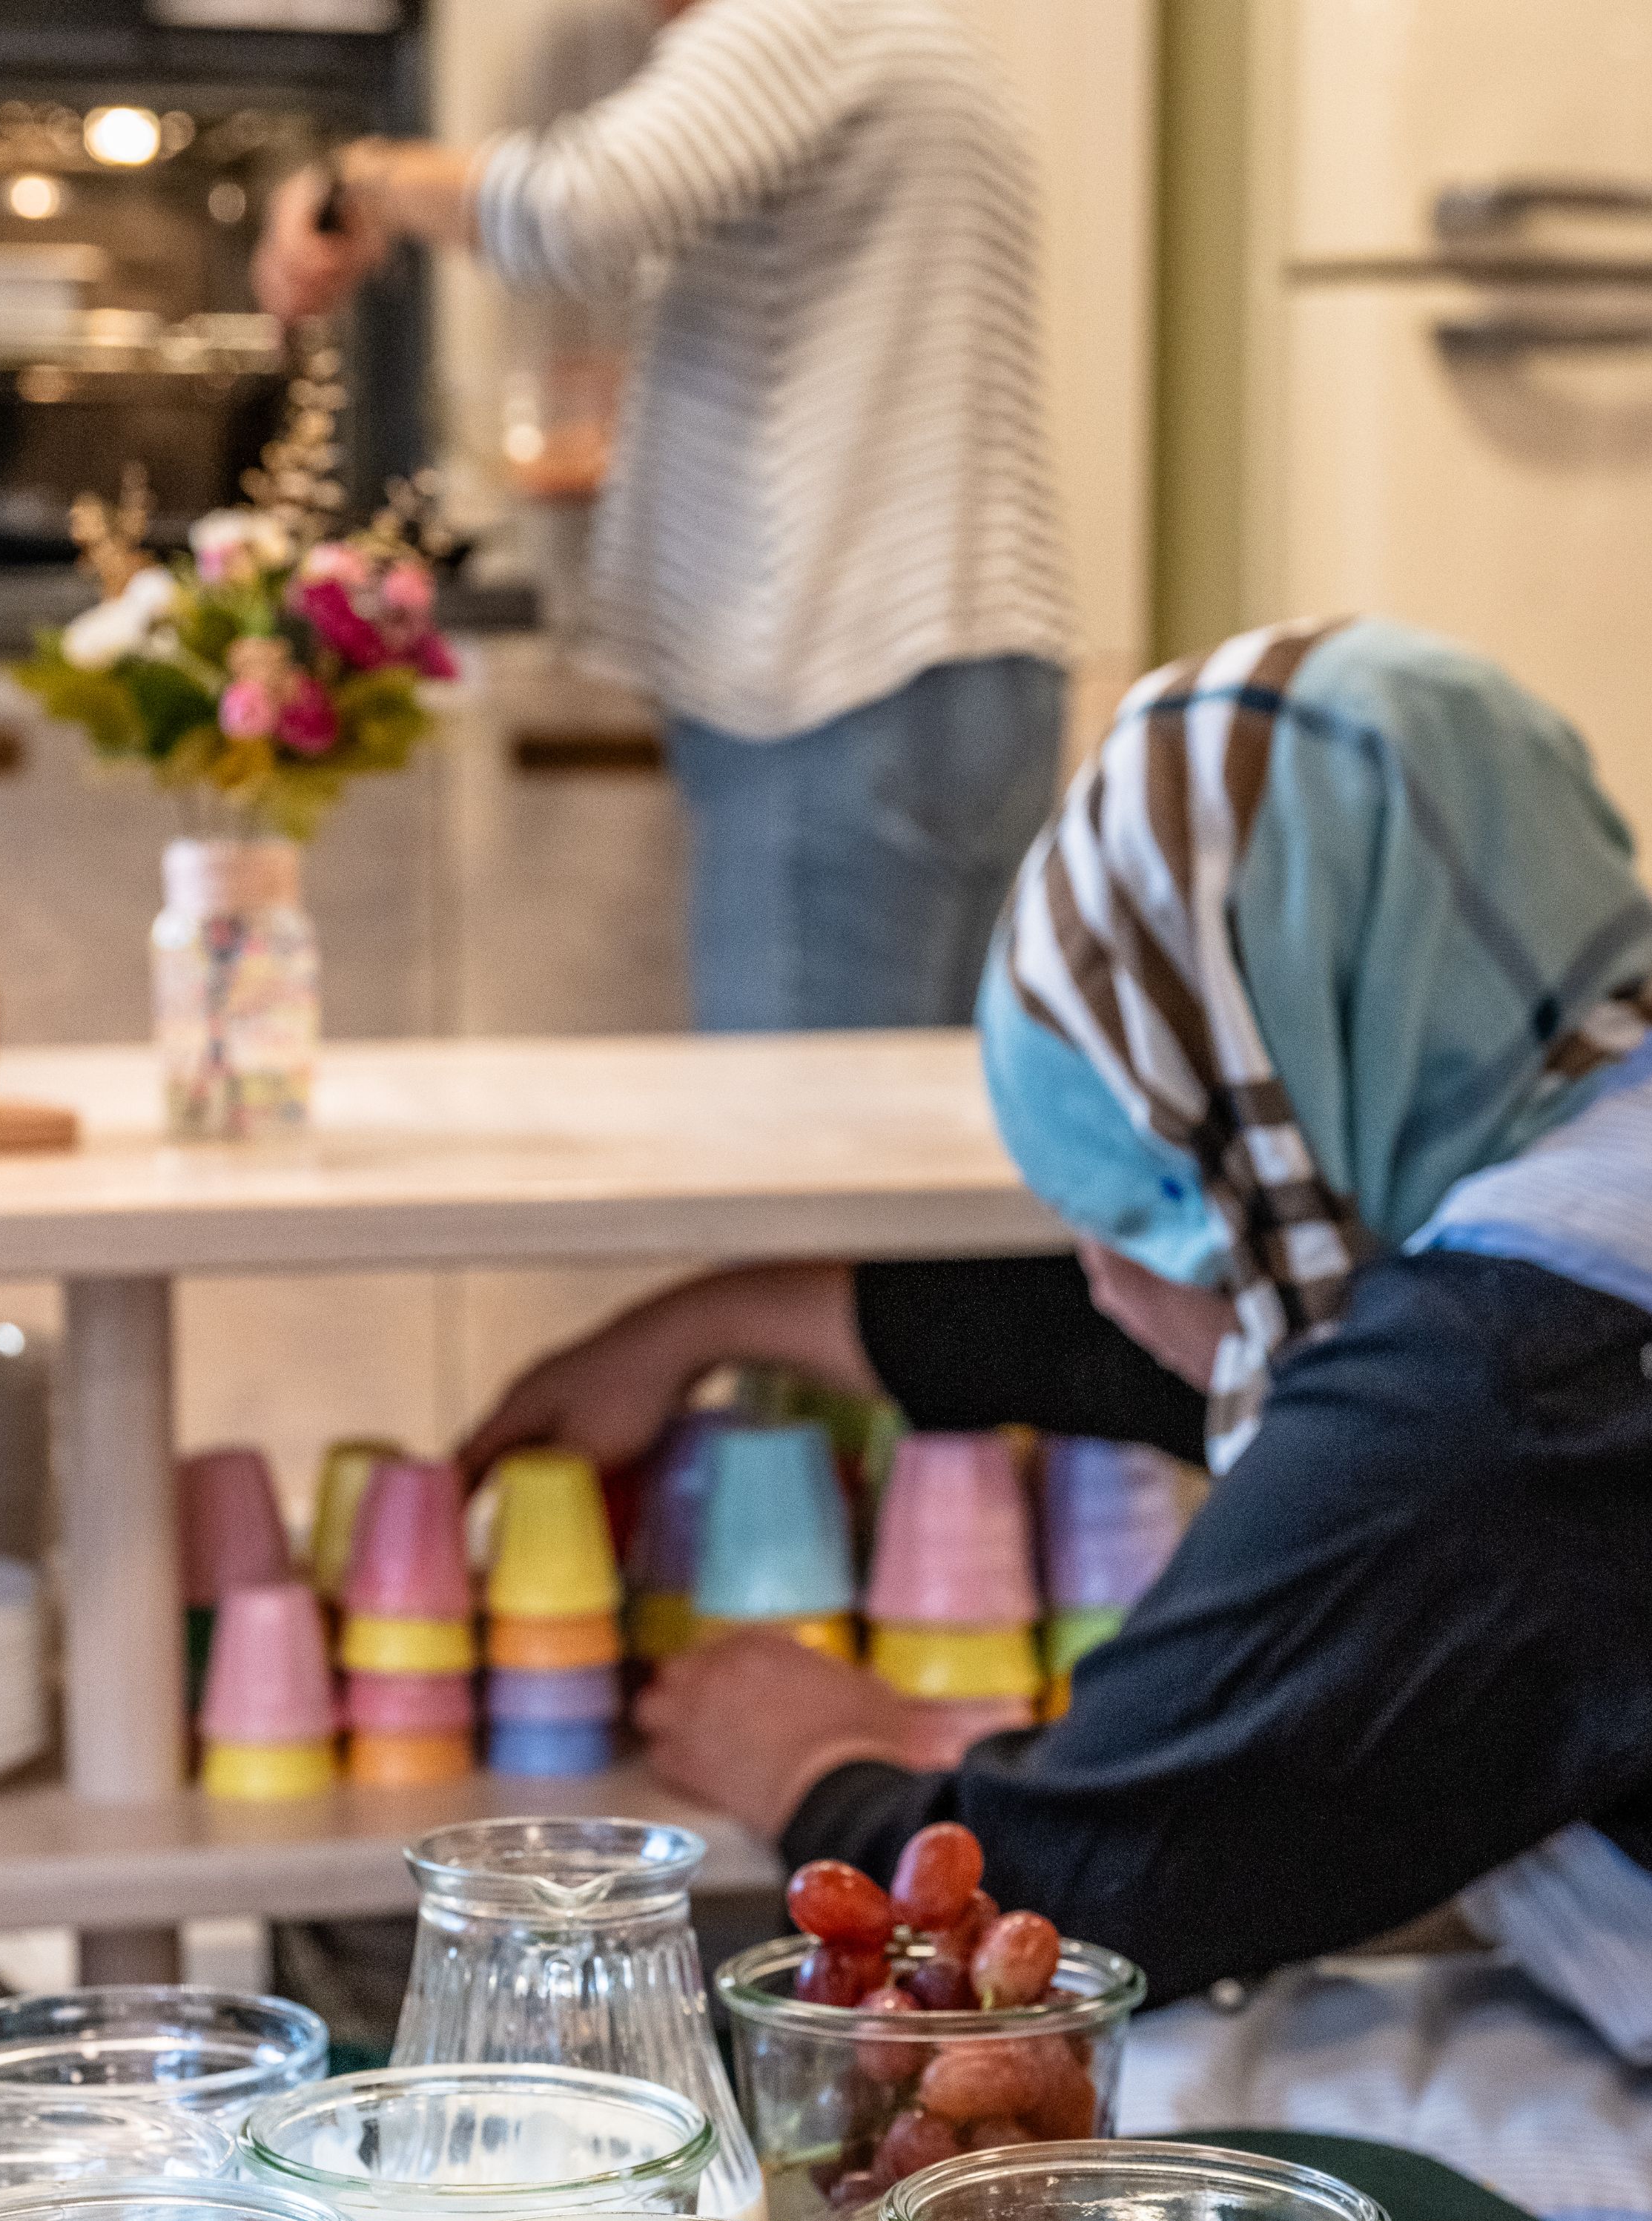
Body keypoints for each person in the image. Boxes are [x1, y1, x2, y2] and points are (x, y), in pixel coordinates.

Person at [462, 617, 1652, 2045]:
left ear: (1266, 1131)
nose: (1101, 1276)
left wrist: (820, 1769)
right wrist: (708, 1320)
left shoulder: (1507, 1385)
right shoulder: (1581, 1162)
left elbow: (1072, 1899)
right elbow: (1247, 1333)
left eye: (1146, 1209)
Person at [253, 0, 1071, 1034]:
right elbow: (827, 337)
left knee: (802, 1147)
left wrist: (365, 181)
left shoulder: (789, 20)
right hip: (978, 673)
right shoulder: (925, 36)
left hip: (833, 676)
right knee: (937, 1125)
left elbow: (576, 209)